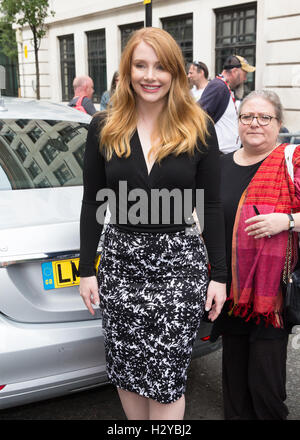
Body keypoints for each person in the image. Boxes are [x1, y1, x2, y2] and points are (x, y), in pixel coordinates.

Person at [78, 27, 227, 420]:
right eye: (140, 65)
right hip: (121, 264)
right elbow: (93, 200)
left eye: (160, 67)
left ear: (176, 73)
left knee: (165, 379)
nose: (150, 75)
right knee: (127, 373)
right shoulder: (104, 126)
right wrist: (86, 270)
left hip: (179, 267)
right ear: (127, 72)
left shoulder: (198, 126)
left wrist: (221, 276)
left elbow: (210, 205)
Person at [210, 89, 300, 420]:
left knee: (265, 385)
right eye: (247, 116)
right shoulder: (219, 164)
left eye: (264, 117)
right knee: (233, 383)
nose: (255, 123)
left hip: (269, 295)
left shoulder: (293, 161)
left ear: (278, 124)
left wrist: (287, 221)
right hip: (228, 289)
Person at [199, 55, 255, 154]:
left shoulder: (223, 87)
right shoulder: (218, 86)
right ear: (234, 71)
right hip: (218, 155)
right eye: (244, 74)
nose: (245, 79)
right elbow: (199, 117)